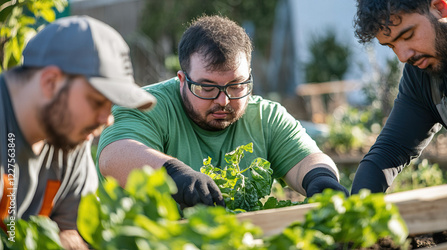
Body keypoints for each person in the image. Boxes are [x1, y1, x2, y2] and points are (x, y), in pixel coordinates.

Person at [97, 15, 349, 209]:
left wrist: (322, 180)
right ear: (182, 79)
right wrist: (174, 173)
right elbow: (114, 155)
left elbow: (307, 159)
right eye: (207, 88)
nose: (224, 100)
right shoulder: (146, 104)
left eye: (237, 86)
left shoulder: (265, 117)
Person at [0, 16, 156, 248]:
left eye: (111, 105)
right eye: (96, 102)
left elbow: (72, 230)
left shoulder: (67, 133)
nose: (107, 120)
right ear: (50, 82)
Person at [351, 0, 447, 194]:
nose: (403, 56)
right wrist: (356, 208)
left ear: (440, 7)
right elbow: (390, 150)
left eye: (408, 35)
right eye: (391, 46)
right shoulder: (422, 72)